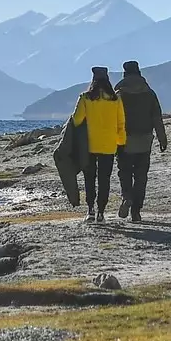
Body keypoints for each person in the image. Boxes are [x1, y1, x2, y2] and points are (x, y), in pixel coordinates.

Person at [65, 66, 126, 223]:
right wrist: (121, 142)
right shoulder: (115, 99)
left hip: (89, 145)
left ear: (93, 80)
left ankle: (90, 210)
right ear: (107, 80)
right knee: (104, 179)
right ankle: (101, 213)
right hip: (109, 145)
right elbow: (121, 122)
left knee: (89, 178)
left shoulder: (85, 97)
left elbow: (77, 119)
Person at [114, 60, 167, 221]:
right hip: (145, 141)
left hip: (123, 141)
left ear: (124, 74)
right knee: (141, 176)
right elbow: (157, 118)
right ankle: (136, 211)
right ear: (139, 73)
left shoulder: (118, 94)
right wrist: (162, 138)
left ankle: (127, 197)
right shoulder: (149, 93)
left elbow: (112, 119)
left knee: (124, 172)